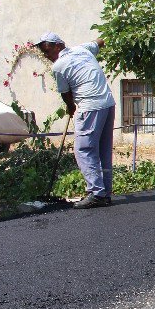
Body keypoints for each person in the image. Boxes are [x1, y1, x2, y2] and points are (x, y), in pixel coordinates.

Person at [35, 33, 116, 209]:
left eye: (47, 51)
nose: (47, 56)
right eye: (44, 53)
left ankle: (96, 193)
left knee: (84, 150)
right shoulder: (82, 49)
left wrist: (71, 108)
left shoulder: (59, 66)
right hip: (108, 104)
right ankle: (105, 193)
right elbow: (99, 42)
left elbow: (66, 94)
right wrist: (112, 34)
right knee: (103, 150)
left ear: (58, 46)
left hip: (90, 106)